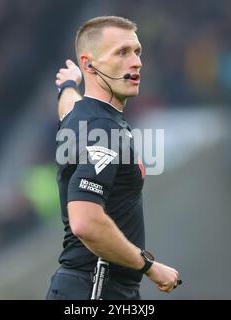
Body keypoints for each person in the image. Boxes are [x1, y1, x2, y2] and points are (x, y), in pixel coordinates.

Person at [46, 16, 181, 300]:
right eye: (122, 52)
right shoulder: (104, 130)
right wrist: (149, 266)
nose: (136, 62)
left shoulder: (80, 115)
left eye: (137, 52)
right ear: (89, 64)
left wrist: (68, 85)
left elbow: (67, 106)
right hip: (96, 290)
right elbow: (85, 221)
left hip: (84, 287)